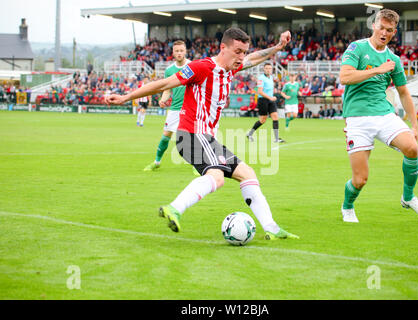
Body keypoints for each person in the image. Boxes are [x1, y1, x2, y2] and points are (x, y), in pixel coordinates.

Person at [106, 27, 298, 240]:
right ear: (223, 47)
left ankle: (272, 228)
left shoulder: (231, 68)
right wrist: (126, 97)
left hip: (206, 138)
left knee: (247, 174)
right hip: (191, 135)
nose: (241, 56)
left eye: (244, 51)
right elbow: (164, 83)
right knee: (216, 176)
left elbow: (254, 58)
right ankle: (174, 208)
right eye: (238, 51)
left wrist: (279, 47)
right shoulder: (201, 67)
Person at [339, 8, 418, 223]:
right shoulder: (357, 48)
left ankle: (408, 197)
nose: (384, 32)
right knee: (360, 179)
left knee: (412, 147)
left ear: (394, 32)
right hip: (357, 118)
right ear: (374, 25)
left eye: (389, 30)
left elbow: (404, 93)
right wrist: (378, 70)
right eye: (381, 27)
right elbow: (345, 77)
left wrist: (415, 125)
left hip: (384, 114)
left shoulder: (394, 59)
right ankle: (348, 206)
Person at [143, 40, 190, 171]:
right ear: (173, 52)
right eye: (177, 51)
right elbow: (167, 89)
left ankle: (198, 166)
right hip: (175, 108)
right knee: (165, 137)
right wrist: (163, 99)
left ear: (185, 51)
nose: (179, 53)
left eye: (181, 50)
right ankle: (157, 162)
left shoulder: (193, 66)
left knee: (193, 137)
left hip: (190, 108)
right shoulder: (169, 70)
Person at [246, 63, 285, 143]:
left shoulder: (271, 77)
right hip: (263, 100)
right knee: (263, 120)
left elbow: (269, 89)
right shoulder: (261, 78)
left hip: (271, 100)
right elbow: (260, 91)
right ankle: (250, 134)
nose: (268, 70)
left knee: (275, 117)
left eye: (270, 68)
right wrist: (270, 97)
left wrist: (274, 93)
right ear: (264, 69)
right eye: (266, 68)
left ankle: (276, 138)